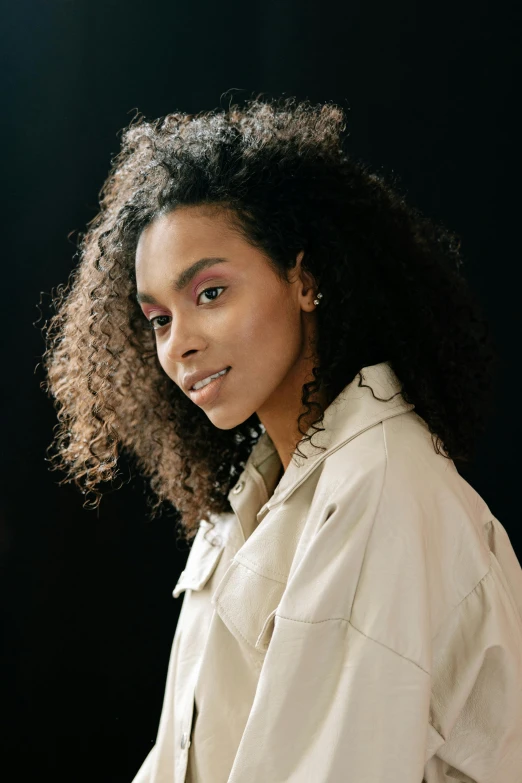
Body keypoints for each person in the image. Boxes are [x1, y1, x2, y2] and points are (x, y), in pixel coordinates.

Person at [41, 96, 522, 782]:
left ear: (303, 278)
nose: (180, 344)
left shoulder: (378, 488)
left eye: (210, 292)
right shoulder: (249, 502)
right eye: (158, 319)